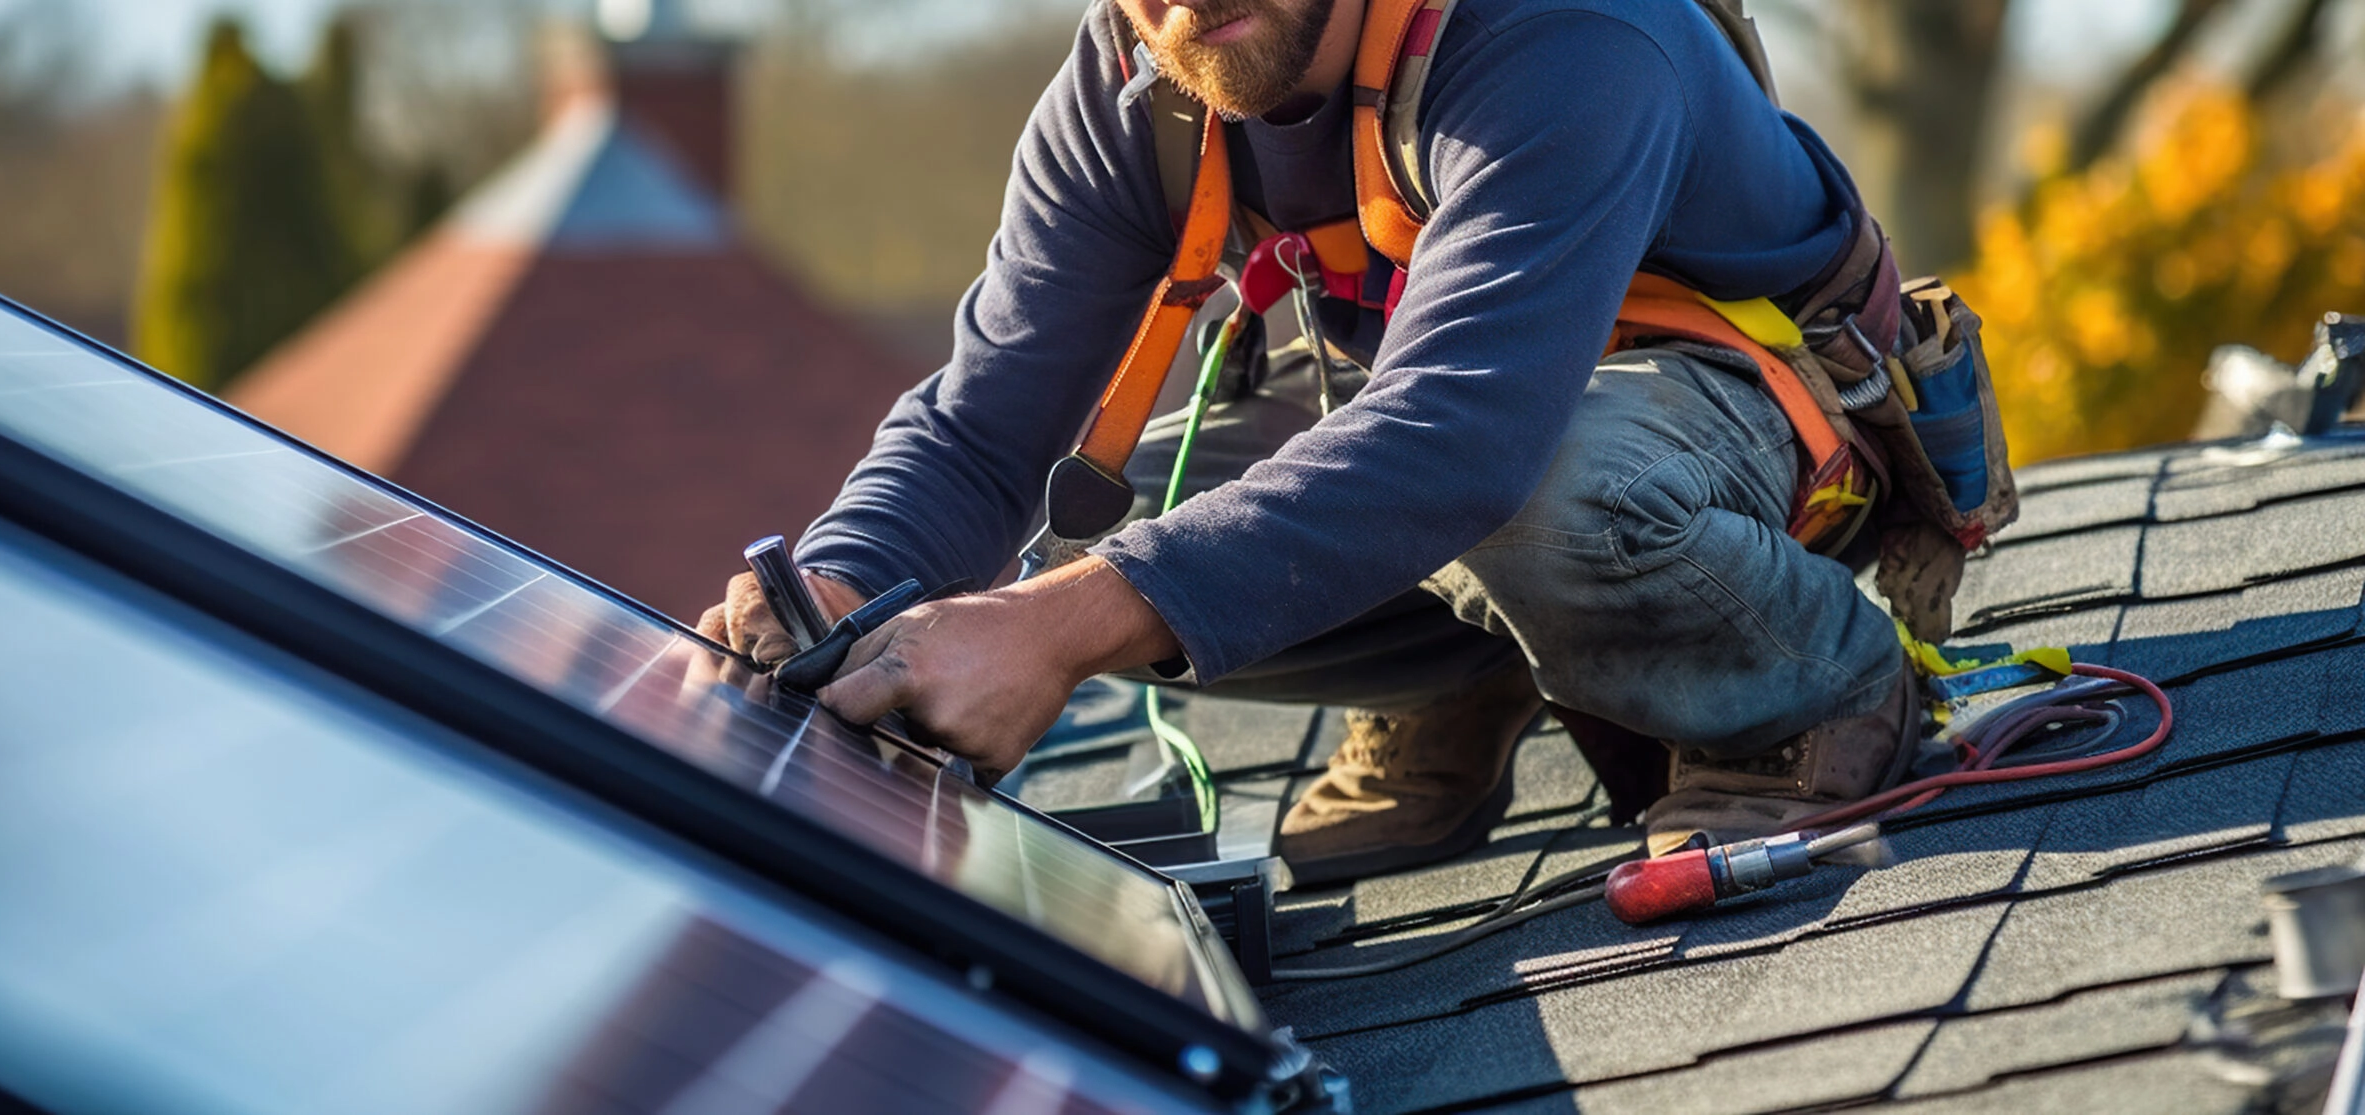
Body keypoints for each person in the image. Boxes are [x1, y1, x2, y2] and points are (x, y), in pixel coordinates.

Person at [699, 0, 1930, 883]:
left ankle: (1810, 693)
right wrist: (844, 585)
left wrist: (1063, 624)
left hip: (1760, 436)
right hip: (1475, 439)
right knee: (1072, 566)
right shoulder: (1133, 86)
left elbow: (1462, 435)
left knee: (1532, 497)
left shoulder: (1564, 33)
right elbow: (981, 425)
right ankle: (1469, 671)